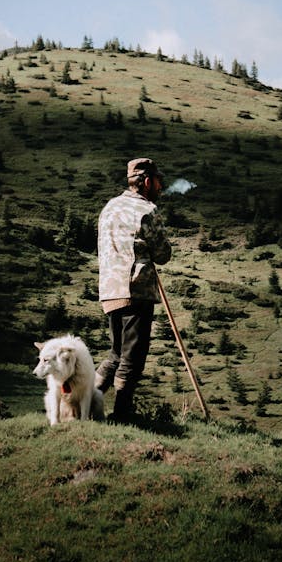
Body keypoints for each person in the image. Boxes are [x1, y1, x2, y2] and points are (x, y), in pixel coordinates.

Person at [95, 157, 172, 421]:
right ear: (147, 181)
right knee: (133, 357)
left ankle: (85, 403)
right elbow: (162, 254)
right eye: (158, 182)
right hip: (135, 290)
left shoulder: (109, 207)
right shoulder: (147, 210)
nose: (160, 187)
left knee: (116, 353)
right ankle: (122, 414)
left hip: (110, 289)